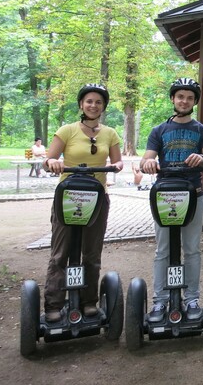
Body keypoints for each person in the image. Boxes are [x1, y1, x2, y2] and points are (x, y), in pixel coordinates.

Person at [41, 83, 124, 322]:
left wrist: (117, 166)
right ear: (81, 104)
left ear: (103, 107)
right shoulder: (67, 130)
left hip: (96, 198)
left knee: (91, 252)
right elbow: (49, 159)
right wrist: (53, 163)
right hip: (68, 196)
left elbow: (117, 162)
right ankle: (54, 304)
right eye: (89, 101)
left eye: (98, 102)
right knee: (60, 252)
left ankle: (88, 301)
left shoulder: (110, 133)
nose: (93, 105)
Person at [140, 78, 203, 323]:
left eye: (190, 97)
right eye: (180, 96)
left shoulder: (201, 130)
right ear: (173, 99)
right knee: (162, 250)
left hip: (193, 194)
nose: (185, 101)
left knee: (192, 249)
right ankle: (160, 302)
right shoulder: (158, 130)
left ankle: (191, 298)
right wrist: (149, 163)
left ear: (194, 102)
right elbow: (146, 159)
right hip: (165, 195)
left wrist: (201, 159)